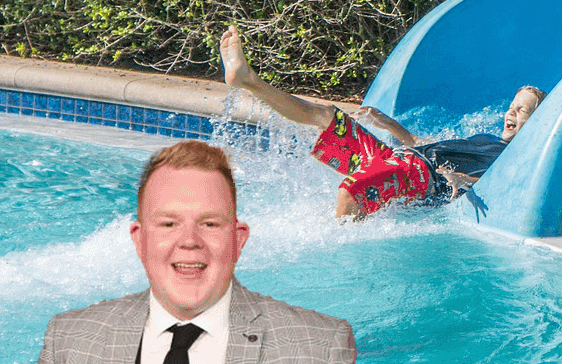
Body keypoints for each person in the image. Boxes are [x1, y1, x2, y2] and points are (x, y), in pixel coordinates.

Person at [6, 141, 407, 364]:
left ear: (238, 239)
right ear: (139, 239)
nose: (189, 241)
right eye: (168, 224)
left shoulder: (317, 345)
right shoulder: (70, 342)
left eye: (210, 224)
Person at [220, 25, 543, 219]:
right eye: (512, 107)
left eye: (523, 111)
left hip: (419, 177)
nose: (512, 113)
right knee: (327, 115)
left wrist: (459, 180)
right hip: (401, 159)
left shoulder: (510, 158)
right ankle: (249, 80)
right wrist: (388, 125)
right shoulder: (485, 138)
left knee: (351, 191)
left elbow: (500, 187)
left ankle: (341, 250)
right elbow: (420, 142)